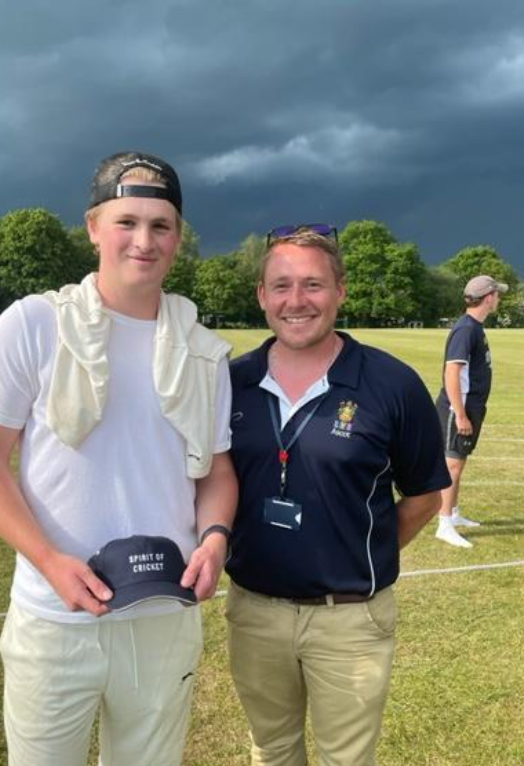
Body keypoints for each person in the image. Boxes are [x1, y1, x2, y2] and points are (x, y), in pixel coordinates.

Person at [0, 151, 237, 766]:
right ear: (92, 227)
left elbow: (216, 470)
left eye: (160, 225)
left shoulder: (205, 350)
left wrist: (215, 539)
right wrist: (49, 560)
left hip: (165, 614)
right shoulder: (33, 323)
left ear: (178, 236)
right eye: (127, 221)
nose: (144, 240)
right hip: (55, 616)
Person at [225, 224, 451, 766]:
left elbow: (424, 494)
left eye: (313, 285)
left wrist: (358, 549)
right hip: (254, 611)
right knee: (271, 750)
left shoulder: (390, 383)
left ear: (341, 290)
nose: (296, 301)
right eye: (280, 286)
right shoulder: (228, 383)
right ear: (261, 295)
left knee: (345, 761)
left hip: (349, 618)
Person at [434, 274, 508, 548]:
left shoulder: (475, 327)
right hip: (459, 409)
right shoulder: (466, 330)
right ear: (488, 297)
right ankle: (444, 524)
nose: (498, 298)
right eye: (497, 294)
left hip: (471, 407)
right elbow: (452, 373)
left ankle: (453, 513)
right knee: (452, 464)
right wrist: (461, 414)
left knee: (459, 462)